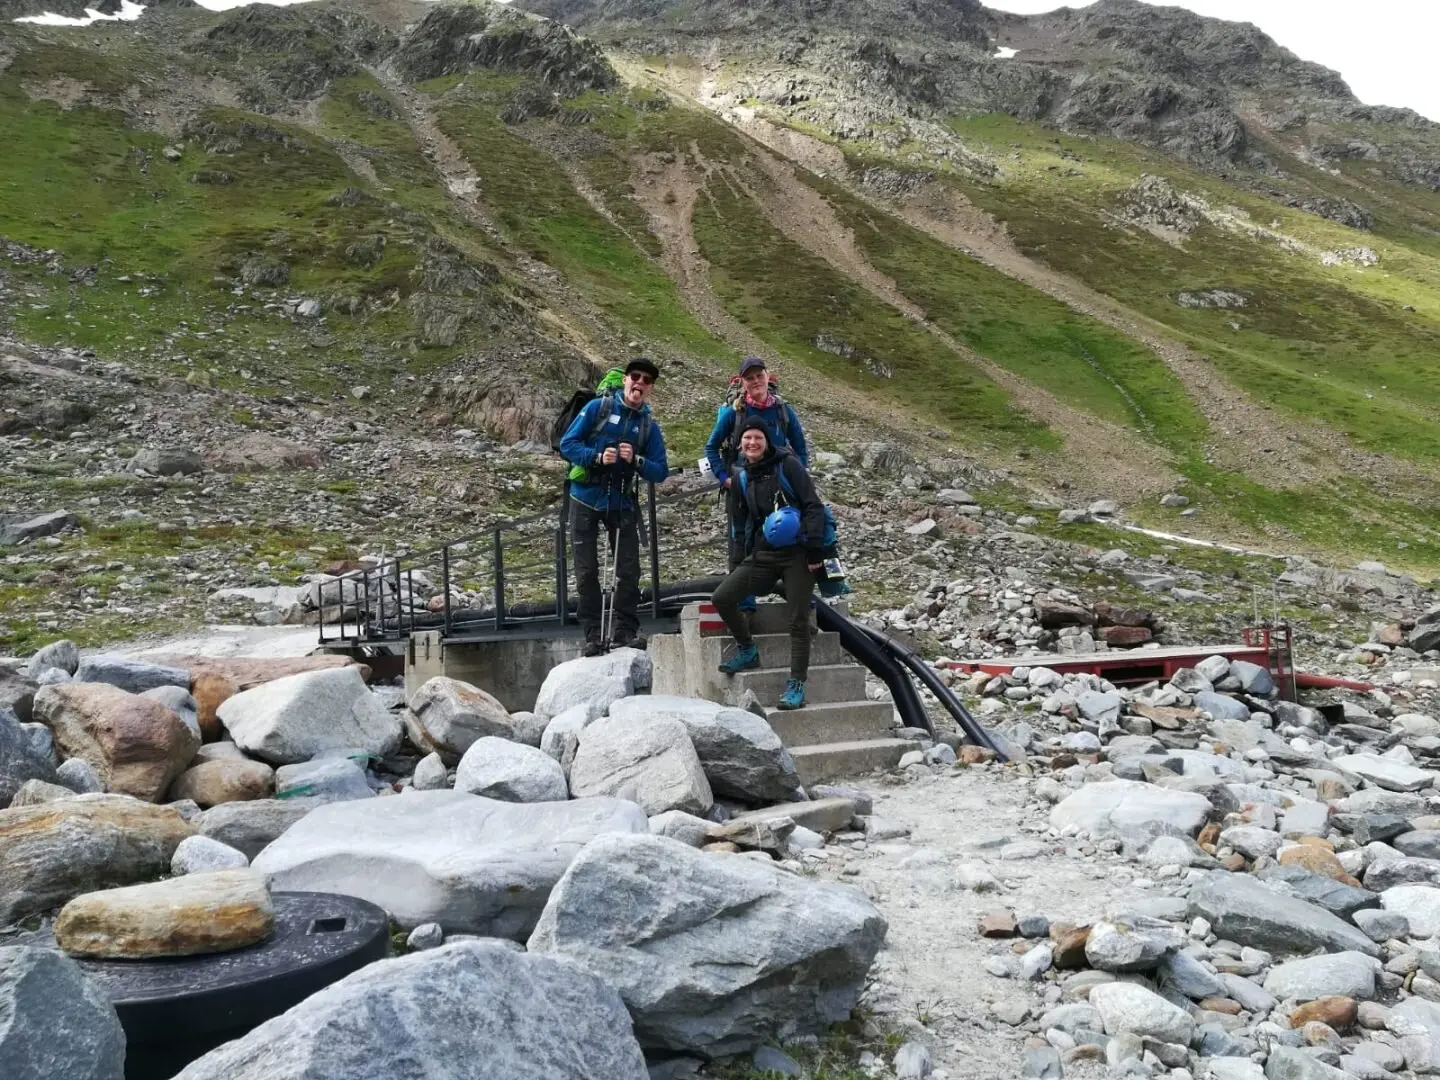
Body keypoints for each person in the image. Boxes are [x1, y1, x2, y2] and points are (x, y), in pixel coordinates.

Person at [711, 417, 825, 710]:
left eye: (757, 438)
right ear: (740, 443)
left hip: (799, 553)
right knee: (723, 597)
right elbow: (741, 525)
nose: (752, 443)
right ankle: (748, 649)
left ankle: (797, 683)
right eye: (747, 438)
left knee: (798, 620)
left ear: (766, 441)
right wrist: (741, 561)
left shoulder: (788, 465)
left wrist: (814, 553)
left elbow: (813, 506)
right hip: (766, 552)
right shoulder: (742, 478)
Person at [559, 358, 668, 656]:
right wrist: (596, 457)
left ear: (650, 388)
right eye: (636, 376)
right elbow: (568, 444)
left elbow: (660, 470)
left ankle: (624, 632)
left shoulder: (647, 425)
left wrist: (637, 460)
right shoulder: (598, 408)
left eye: (647, 380)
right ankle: (593, 635)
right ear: (625, 380)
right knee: (587, 571)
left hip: (621, 502)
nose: (640, 383)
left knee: (629, 570)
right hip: (584, 498)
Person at [704, 356, 809, 610]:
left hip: (780, 489)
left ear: (767, 376)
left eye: (759, 376)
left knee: (788, 541)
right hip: (743, 488)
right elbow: (711, 447)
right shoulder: (734, 413)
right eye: (749, 378)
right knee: (741, 542)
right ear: (742, 382)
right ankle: (745, 606)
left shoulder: (783, 411)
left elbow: (801, 448)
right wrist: (724, 479)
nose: (755, 381)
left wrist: (799, 477)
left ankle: (797, 603)